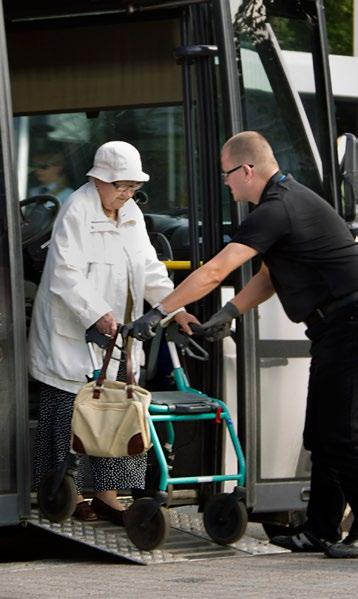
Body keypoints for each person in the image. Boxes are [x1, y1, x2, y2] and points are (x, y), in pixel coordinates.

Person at [123, 131, 358, 558]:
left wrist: (158, 314)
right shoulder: (289, 200)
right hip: (335, 328)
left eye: (227, 175)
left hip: (350, 325)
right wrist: (229, 313)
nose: (227, 184)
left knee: (341, 434)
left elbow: (216, 270)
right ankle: (321, 530)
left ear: (247, 170)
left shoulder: (275, 208)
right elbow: (270, 274)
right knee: (322, 434)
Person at [29, 140, 196, 524]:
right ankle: (60, 491)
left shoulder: (131, 213)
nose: (126, 193)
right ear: (98, 180)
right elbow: (64, 273)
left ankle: (109, 495)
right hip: (74, 336)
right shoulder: (77, 210)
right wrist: (99, 313)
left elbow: (150, 268)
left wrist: (176, 309)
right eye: (120, 185)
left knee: (120, 415)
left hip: (119, 337)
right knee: (67, 413)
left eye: (132, 187)